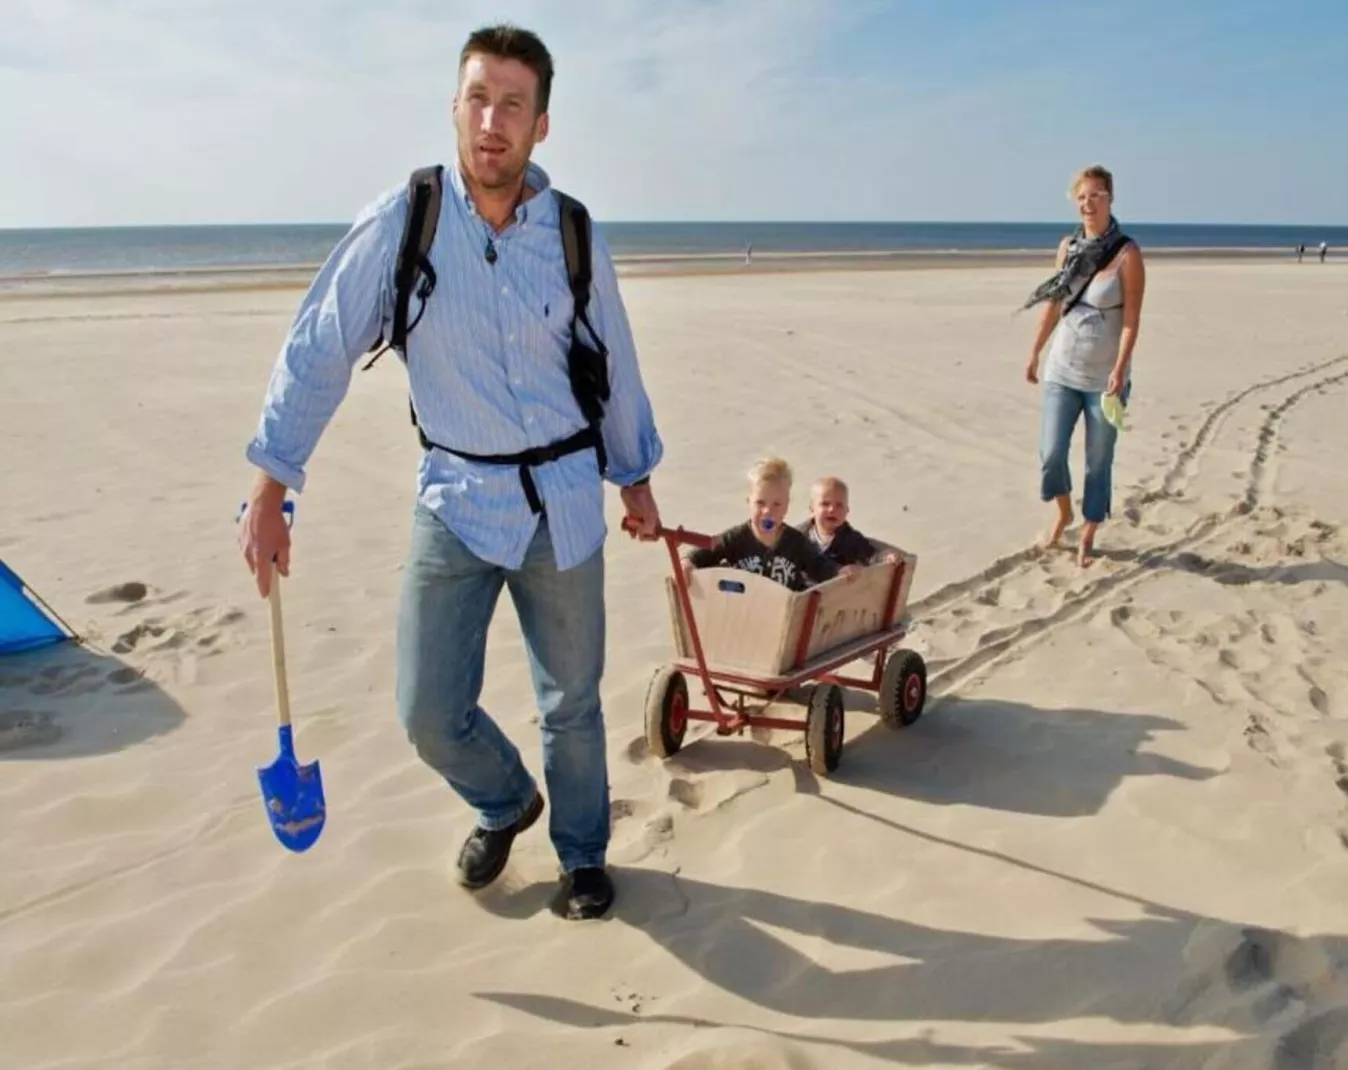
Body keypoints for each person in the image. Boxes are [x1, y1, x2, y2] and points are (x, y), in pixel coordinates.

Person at [235, 24, 665, 921]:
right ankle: (505, 801)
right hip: (457, 500)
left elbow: (614, 361)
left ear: (542, 124)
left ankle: (583, 855)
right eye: (478, 98)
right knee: (427, 709)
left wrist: (635, 477)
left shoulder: (575, 233)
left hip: (564, 504)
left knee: (572, 705)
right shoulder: (408, 221)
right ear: (454, 108)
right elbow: (319, 344)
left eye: (513, 104)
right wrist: (274, 484)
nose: (492, 121)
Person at [1022, 164, 1146, 567]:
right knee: (1051, 454)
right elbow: (1055, 304)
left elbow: (1131, 318)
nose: (1088, 203)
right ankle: (1063, 513)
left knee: (1098, 459)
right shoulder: (1067, 248)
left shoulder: (1128, 254)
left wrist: (1120, 367)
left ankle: (1089, 530)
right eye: (1082, 197)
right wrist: (1035, 351)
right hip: (1063, 369)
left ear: (1110, 198)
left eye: (1096, 195)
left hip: (1105, 378)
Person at [685, 459, 849, 592]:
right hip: (746, 610)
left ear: (786, 506)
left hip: (786, 616)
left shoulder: (795, 542)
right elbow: (708, 550)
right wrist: (688, 562)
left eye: (777, 504)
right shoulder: (736, 538)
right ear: (749, 502)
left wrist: (838, 572)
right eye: (760, 503)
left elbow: (818, 565)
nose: (767, 511)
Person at [797, 475, 897, 568]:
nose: (832, 509)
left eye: (839, 505)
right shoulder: (797, 536)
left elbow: (871, 555)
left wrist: (884, 557)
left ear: (847, 511)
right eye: (825, 504)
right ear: (812, 510)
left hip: (837, 584)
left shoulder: (851, 539)